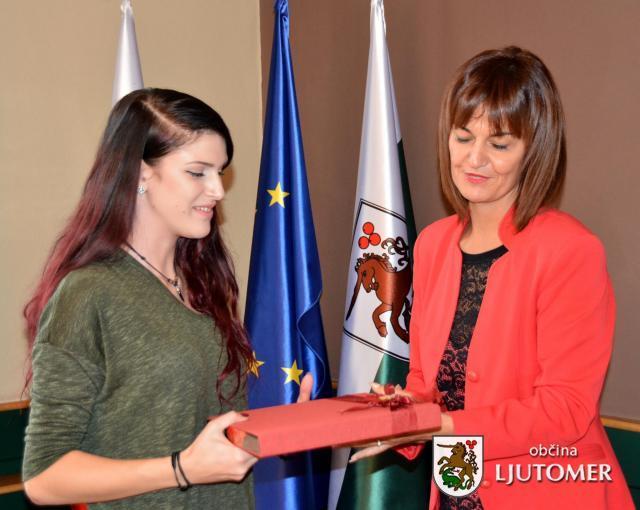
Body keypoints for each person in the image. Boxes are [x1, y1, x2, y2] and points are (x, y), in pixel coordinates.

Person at [351, 47, 634, 509]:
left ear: (533, 151)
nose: (474, 158)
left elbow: (565, 410)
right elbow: (427, 379)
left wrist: (440, 426)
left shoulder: (570, 249)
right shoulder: (433, 244)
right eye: (463, 137)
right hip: (457, 487)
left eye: (499, 145)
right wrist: (400, 411)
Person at [21, 88, 313, 509]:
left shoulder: (202, 285)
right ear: (141, 174)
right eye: (198, 172)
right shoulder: (88, 293)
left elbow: (202, 432)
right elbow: (44, 478)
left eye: (220, 172)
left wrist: (284, 429)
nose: (218, 190)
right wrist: (181, 469)